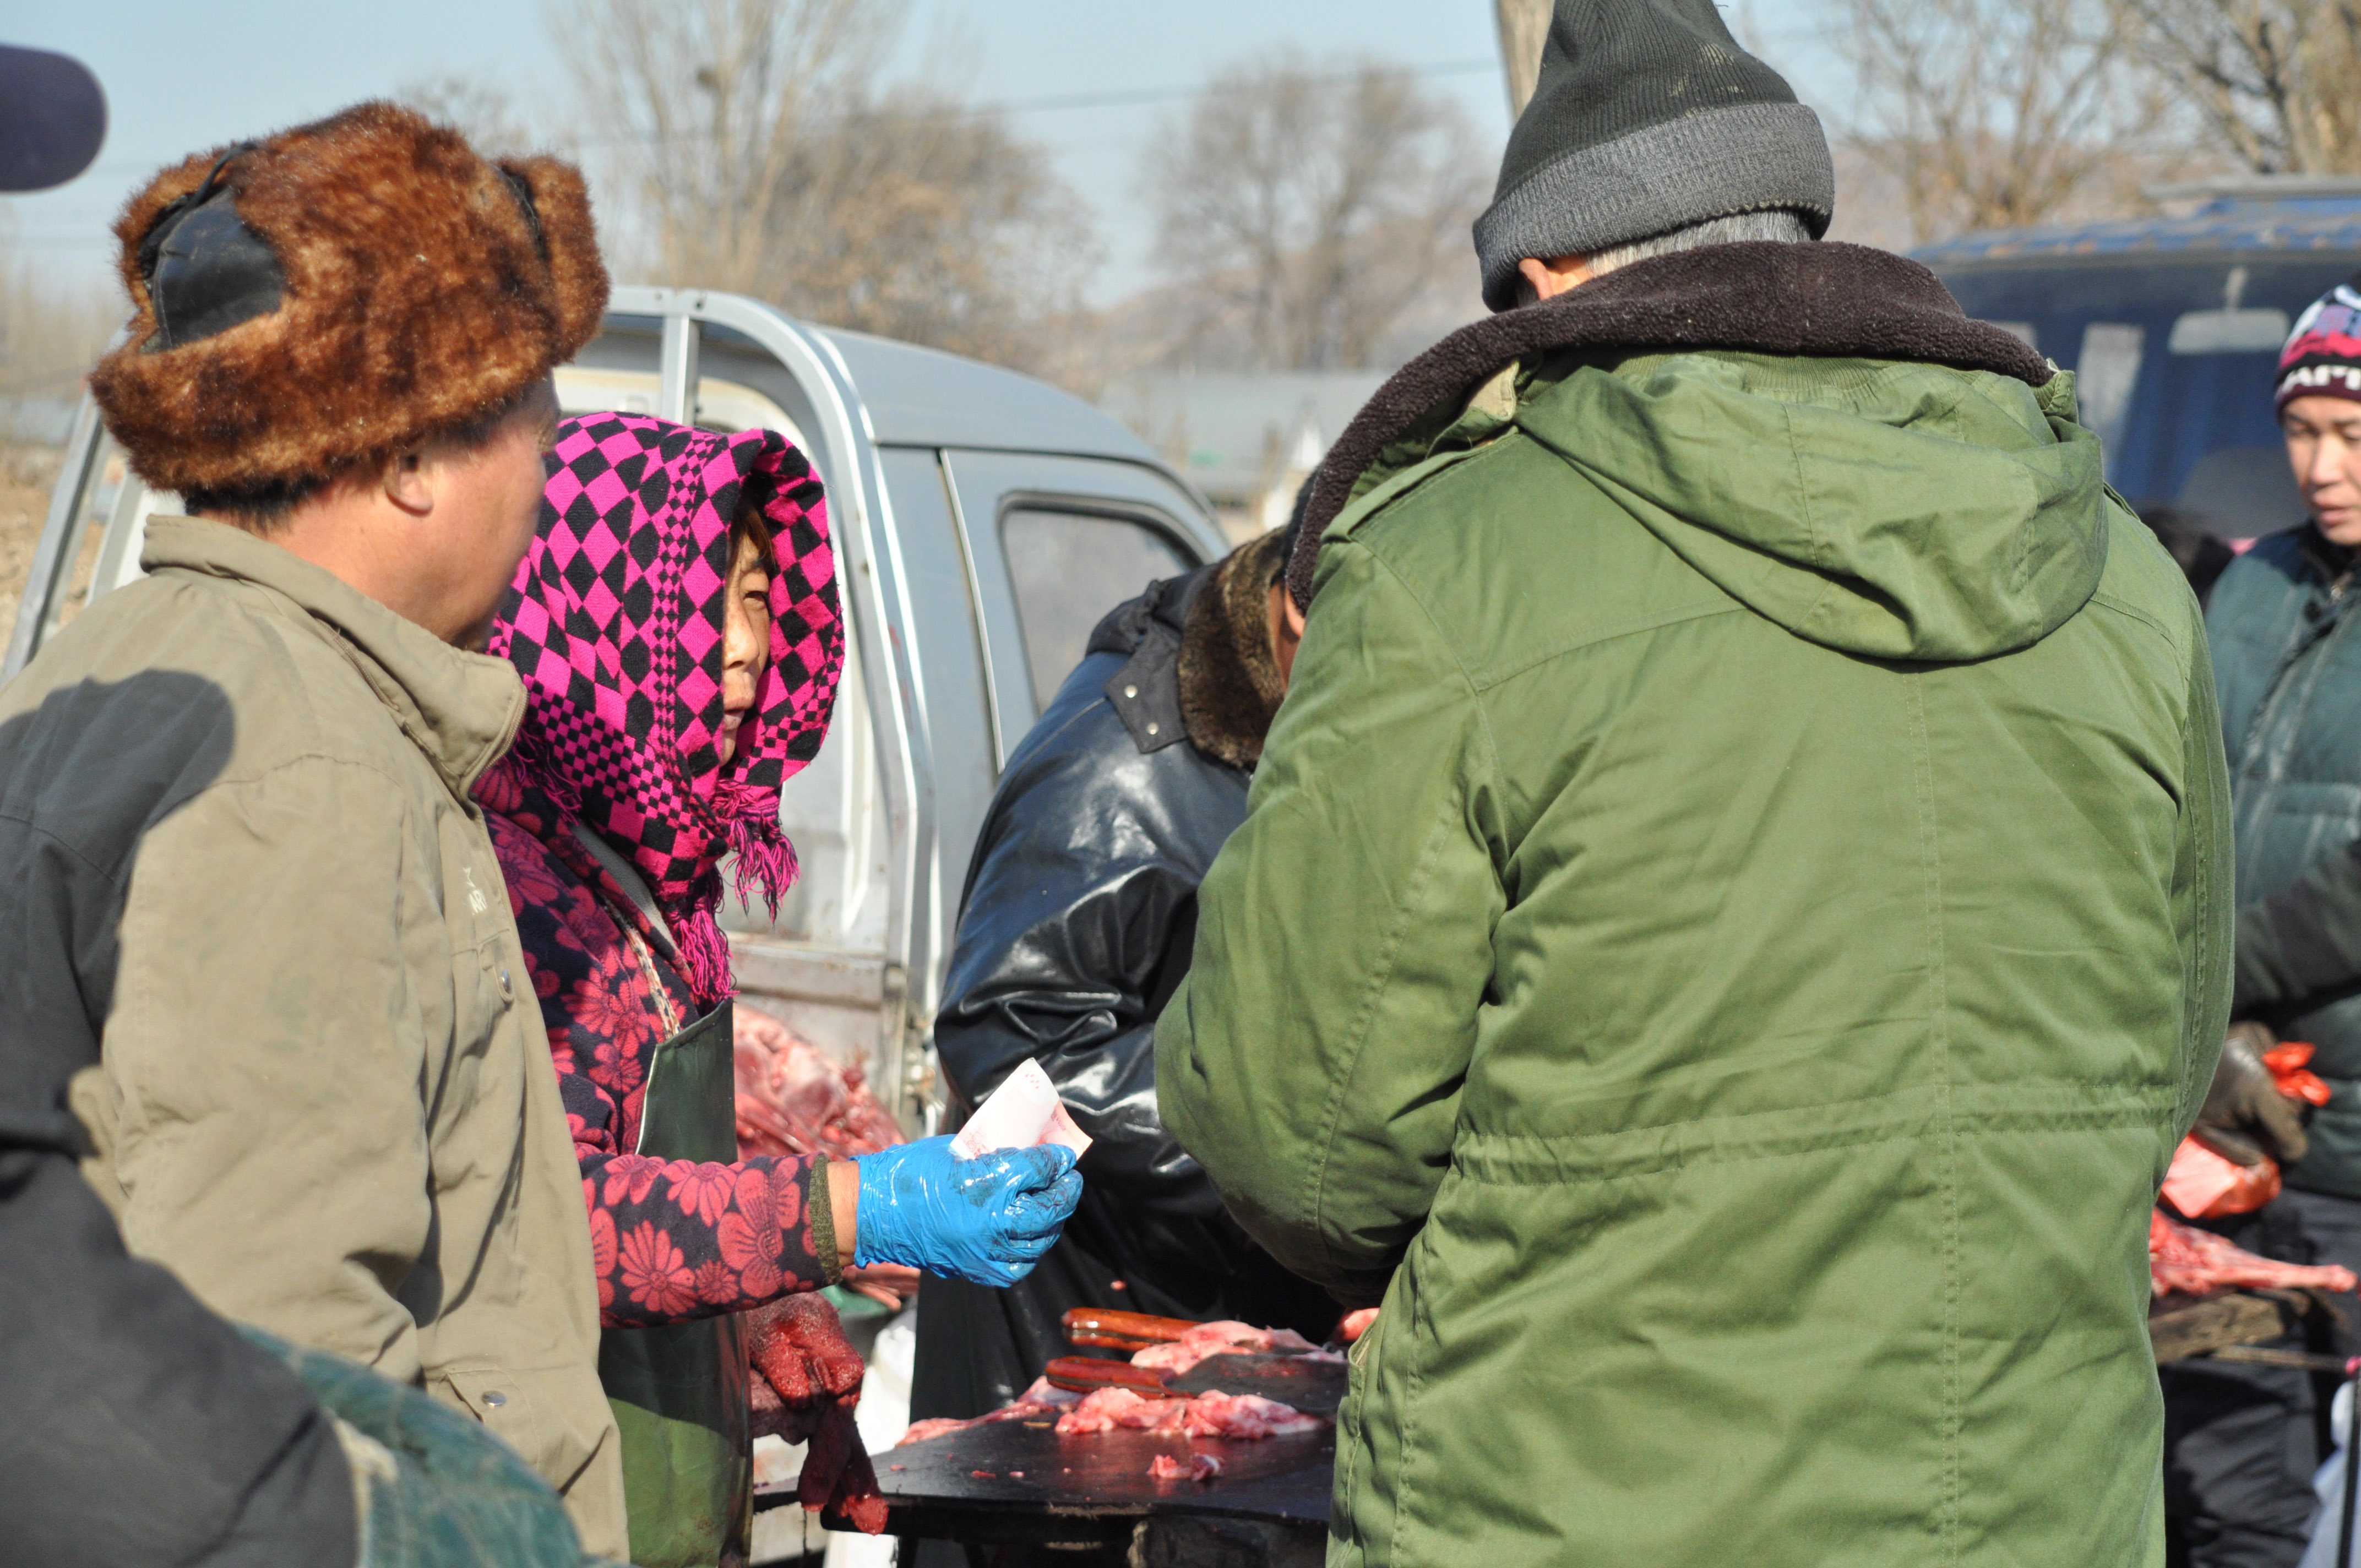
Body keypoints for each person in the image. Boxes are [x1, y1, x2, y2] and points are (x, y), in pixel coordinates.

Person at [1156, 4, 2231, 1564]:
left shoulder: (1453, 569)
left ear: (1546, 275)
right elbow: (2166, 1059)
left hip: (1574, 1502)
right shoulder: (2129, 580)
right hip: (2030, 1506)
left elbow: (1297, 1132)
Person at [0, 104, 633, 1556]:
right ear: (413, 456)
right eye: (535, 402)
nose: (553, 449)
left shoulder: (124, 664)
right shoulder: (308, 765)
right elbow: (275, 1343)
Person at [481, 411, 1083, 1566]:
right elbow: (547, 1216)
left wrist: (749, 1312)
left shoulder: (659, 893)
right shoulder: (512, 888)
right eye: (706, 598)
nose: (746, 647)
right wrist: (845, 1210)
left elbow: (656, 1181)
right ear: (594, 605)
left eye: (758, 599)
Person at [909, 507, 1339, 1443]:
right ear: (1300, 615)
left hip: (1221, 1307)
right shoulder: (1118, 767)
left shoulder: (1313, 722)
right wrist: (1277, 1141)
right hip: (1067, 1330)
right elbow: (1007, 1041)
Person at [2164, 280, 2361, 1567]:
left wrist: (2207, 974)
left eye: (2351, 430)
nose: (2321, 466)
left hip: (2348, 1142)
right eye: (2300, 431)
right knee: (2224, 1493)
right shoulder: (2245, 588)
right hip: (2227, 1140)